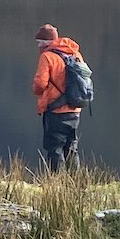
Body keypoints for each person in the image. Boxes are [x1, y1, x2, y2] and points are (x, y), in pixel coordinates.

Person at [33, 24, 85, 172]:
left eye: (39, 42)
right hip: (75, 108)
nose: (38, 46)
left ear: (45, 42)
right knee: (71, 147)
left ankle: (57, 183)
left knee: (55, 148)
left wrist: (37, 91)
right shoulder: (75, 54)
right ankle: (76, 182)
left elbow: (40, 84)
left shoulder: (47, 57)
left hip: (56, 111)